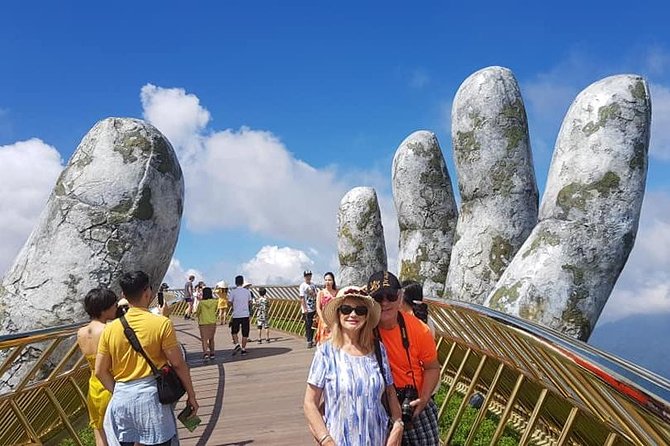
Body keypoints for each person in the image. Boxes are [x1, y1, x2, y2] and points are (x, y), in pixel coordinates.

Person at [96, 271, 198, 446]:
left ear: (123, 295)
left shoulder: (110, 329)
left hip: (123, 401)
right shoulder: (161, 323)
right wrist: (191, 395)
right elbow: (177, 363)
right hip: (152, 403)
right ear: (148, 292)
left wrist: (119, 391)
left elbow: (100, 371)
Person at [304, 286, 404, 446]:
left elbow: (390, 393)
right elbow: (310, 403)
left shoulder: (378, 349)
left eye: (360, 310)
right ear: (338, 314)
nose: (353, 314)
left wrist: (398, 424)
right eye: (346, 309)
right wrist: (325, 439)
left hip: (378, 439)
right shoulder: (325, 352)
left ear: (366, 316)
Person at [368, 271, 440, 446]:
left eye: (391, 296)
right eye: (378, 298)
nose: (384, 303)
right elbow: (339, 315)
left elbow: (432, 367)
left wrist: (423, 399)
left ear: (400, 297)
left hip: (413, 405)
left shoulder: (419, 329)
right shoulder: (363, 329)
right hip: (379, 406)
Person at [77, 288, 118, 446]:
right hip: (112, 383)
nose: (116, 308)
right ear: (104, 308)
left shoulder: (80, 332)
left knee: (99, 432)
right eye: (113, 305)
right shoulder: (109, 330)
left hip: (94, 385)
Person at [228, 275, 252, 356]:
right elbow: (249, 302)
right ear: (242, 282)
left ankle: (237, 344)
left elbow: (230, 302)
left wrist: (234, 306)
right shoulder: (247, 291)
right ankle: (243, 349)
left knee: (234, 331)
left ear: (235, 282)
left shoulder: (233, 292)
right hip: (245, 314)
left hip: (236, 315)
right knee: (245, 333)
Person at [195, 286, 218, 360]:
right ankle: (212, 353)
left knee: (204, 339)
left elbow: (198, 312)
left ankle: (205, 354)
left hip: (203, 322)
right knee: (211, 338)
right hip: (212, 321)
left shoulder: (201, 303)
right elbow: (215, 310)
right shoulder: (215, 302)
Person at [315, 272, 337, 344]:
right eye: (326, 280)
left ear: (333, 281)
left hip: (334, 319)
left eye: (329, 280)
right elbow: (318, 308)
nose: (327, 282)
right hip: (323, 319)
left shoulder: (337, 293)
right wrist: (323, 320)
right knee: (324, 341)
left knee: (334, 341)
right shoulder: (321, 293)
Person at [299, 270, 318, 348]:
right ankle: (309, 340)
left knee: (313, 325)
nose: (308, 277)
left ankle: (312, 339)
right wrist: (305, 308)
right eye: (307, 276)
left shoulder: (313, 285)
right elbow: (302, 298)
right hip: (307, 308)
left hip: (313, 307)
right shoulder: (302, 286)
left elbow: (316, 295)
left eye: (309, 275)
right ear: (304, 277)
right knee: (308, 325)